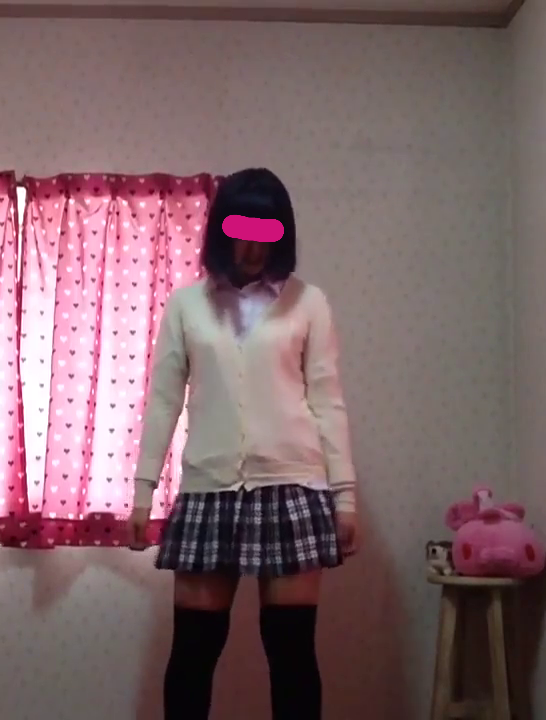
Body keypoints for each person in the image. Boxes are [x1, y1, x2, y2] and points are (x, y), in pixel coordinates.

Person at [128, 168, 360, 720]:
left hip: (293, 487)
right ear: (221, 230)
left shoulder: (308, 303)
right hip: (209, 490)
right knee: (193, 651)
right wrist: (143, 491)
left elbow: (327, 401)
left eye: (266, 232)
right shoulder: (186, 305)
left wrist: (345, 496)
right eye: (241, 230)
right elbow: (163, 400)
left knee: (291, 652)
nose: (253, 246)